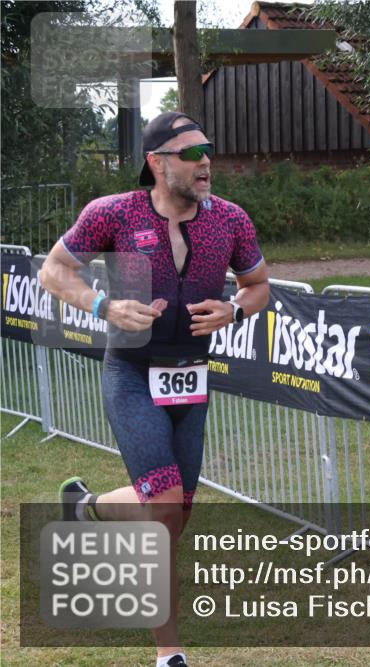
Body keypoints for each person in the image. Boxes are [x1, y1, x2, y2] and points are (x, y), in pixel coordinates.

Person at [39, 112, 271, 667]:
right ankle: (170, 654)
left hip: (192, 380)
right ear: (158, 162)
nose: (205, 161)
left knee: (175, 512)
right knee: (164, 510)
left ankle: (86, 507)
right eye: (191, 153)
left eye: (207, 150)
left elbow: (258, 285)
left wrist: (236, 310)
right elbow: (53, 271)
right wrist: (103, 305)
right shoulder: (114, 213)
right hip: (131, 375)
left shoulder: (230, 220)